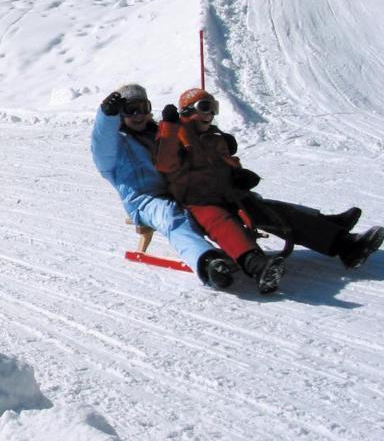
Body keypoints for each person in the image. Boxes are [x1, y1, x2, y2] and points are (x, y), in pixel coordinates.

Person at [154, 87, 382, 294]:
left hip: (229, 194)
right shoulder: (176, 135)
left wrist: (238, 174)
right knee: (222, 224)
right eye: (205, 108)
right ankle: (258, 266)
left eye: (214, 109)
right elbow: (165, 164)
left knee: (276, 213)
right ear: (187, 110)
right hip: (199, 201)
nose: (211, 114)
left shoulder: (215, 137)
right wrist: (170, 128)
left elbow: (227, 162)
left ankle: (346, 246)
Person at [91, 83, 234, 288]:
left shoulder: (159, 132)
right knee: (171, 216)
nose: (139, 115)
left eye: (144, 107)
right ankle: (208, 262)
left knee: (220, 199)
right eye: (131, 110)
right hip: (144, 200)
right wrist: (106, 116)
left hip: (177, 188)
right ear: (121, 115)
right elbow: (101, 145)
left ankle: (246, 249)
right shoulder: (116, 145)